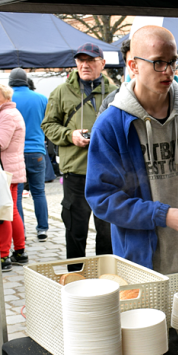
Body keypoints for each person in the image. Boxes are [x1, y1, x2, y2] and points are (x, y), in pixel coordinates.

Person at [85, 25, 178, 273]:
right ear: (133, 66)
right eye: (158, 63)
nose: (169, 71)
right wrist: (160, 215)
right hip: (142, 262)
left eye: (173, 62)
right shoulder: (110, 125)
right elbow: (103, 198)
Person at [41, 43, 114, 271]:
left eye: (91, 60)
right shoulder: (61, 92)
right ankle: (76, 279)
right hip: (76, 173)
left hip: (108, 175)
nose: (85, 64)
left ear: (102, 64)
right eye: (81, 60)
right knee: (75, 230)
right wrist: (69, 135)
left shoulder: (117, 92)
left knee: (108, 232)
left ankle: (107, 279)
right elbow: (48, 125)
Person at [0, 83, 28, 272]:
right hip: (9, 169)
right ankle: (19, 251)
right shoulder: (6, 114)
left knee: (4, 213)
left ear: (6, 97)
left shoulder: (6, 115)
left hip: (6, 171)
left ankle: (4, 255)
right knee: (10, 211)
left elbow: (1, 143)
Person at [9, 68, 50, 242]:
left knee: (16, 194)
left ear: (11, 82)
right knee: (38, 192)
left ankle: (21, 232)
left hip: (14, 154)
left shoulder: (8, 99)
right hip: (37, 151)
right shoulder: (41, 99)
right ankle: (42, 229)